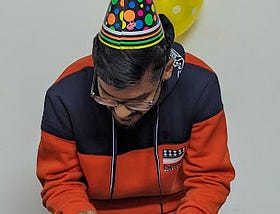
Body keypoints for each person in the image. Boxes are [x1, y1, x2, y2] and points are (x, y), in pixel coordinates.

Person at [36, 0, 235, 213]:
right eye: (107, 97)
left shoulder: (200, 87)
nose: (122, 112)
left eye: (139, 100)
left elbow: (209, 178)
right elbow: (59, 180)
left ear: (166, 70)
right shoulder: (64, 96)